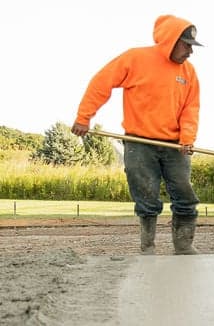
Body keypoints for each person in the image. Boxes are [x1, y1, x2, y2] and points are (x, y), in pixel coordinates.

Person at [71, 15, 203, 255]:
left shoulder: (189, 72)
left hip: (176, 146)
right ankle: (148, 246)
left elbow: (190, 108)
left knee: (184, 193)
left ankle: (183, 245)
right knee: (146, 194)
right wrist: (84, 118)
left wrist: (187, 138)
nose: (190, 52)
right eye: (186, 45)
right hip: (139, 142)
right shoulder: (135, 59)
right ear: (171, 41)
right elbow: (101, 83)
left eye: (192, 47)